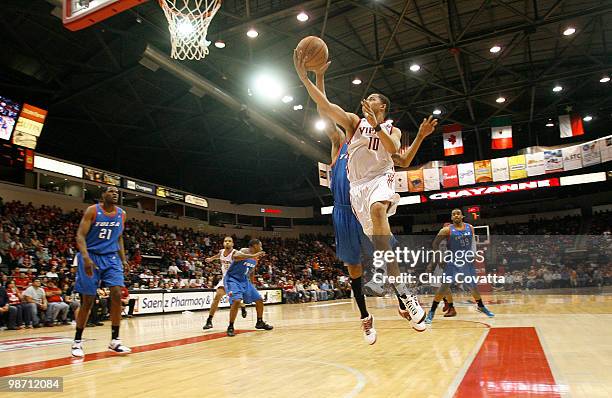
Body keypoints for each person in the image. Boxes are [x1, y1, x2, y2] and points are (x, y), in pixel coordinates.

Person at [294, 50, 428, 331]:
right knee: (377, 249)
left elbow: (395, 153)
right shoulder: (354, 124)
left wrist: (382, 127)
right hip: (357, 192)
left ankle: (404, 292)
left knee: (380, 210)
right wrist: (306, 79)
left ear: (382, 107)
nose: (367, 100)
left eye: (373, 98)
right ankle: (396, 295)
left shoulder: (392, 129)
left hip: (381, 179)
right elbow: (326, 107)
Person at [72, 186, 131, 357]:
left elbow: (118, 237)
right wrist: (85, 257)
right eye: (111, 191)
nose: (115, 194)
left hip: (111, 257)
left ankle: (115, 340)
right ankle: (77, 341)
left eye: (117, 192)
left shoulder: (122, 214)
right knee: (88, 301)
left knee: (117, 294)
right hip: (90, 256)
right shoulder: (92, 210)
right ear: (103, 195)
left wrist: (123, 258)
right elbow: (80, 235)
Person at [425, 209, 495, 324]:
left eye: (458, 213)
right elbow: (435, 244)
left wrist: (473, 253)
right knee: (443, 288)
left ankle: (481, 306)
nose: (456, 215)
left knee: (473, 287)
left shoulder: (470, 227)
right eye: (453, 214)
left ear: (462, 216)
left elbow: (473, 242)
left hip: (466, 261)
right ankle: (431, 312)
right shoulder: (447, 230)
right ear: (451, 218)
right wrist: (439, 258)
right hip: (453, 262)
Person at [224, 239, 273, 337]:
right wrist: (253, 255)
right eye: (260, 245)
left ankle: (259, 322)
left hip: (245, 280)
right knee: (237, 301)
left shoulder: (255, 258)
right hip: (232, 279)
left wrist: (252, 283)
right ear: (255, 246)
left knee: (259, 300)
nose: (261, 247)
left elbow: (251, 270)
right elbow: (235, 257)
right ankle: (230, 326)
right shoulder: (244, 251)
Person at [202, 236, 247, 330]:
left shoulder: (235, 253)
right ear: (223, 243)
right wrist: (211, 259)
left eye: (229, 241)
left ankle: (242, 306)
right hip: (225, 279)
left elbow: (244, 260)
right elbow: (218, 256)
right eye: (225, 241)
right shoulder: (221, 251)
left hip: (234, 280)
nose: (227, 242)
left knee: (235, 301)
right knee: (217, 296)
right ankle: (209, 321)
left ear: (233, 244)